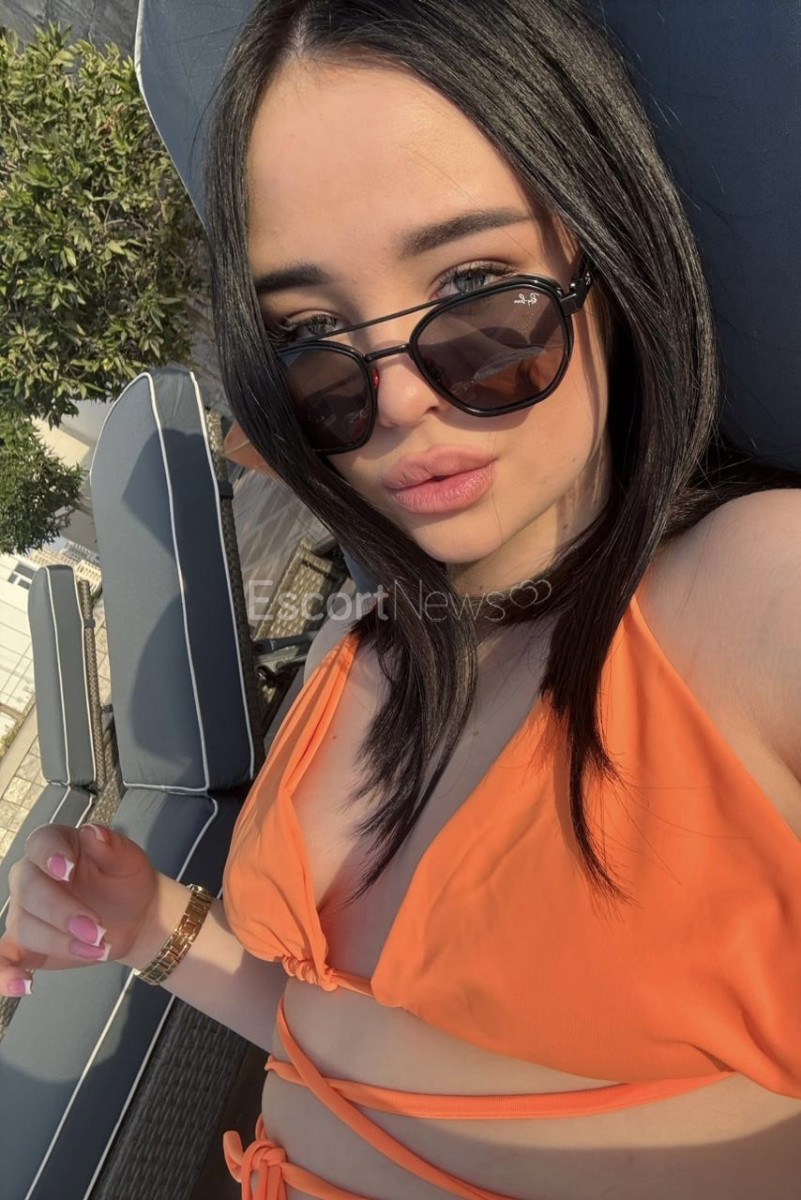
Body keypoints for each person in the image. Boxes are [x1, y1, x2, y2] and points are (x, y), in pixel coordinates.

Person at [3, 1, 801, 1196]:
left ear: (607, 250)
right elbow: (339, 1045)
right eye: (312, 337)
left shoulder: (761, 600)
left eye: (477, 292)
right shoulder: (371, 652)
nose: (395, 401)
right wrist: (148, 924)